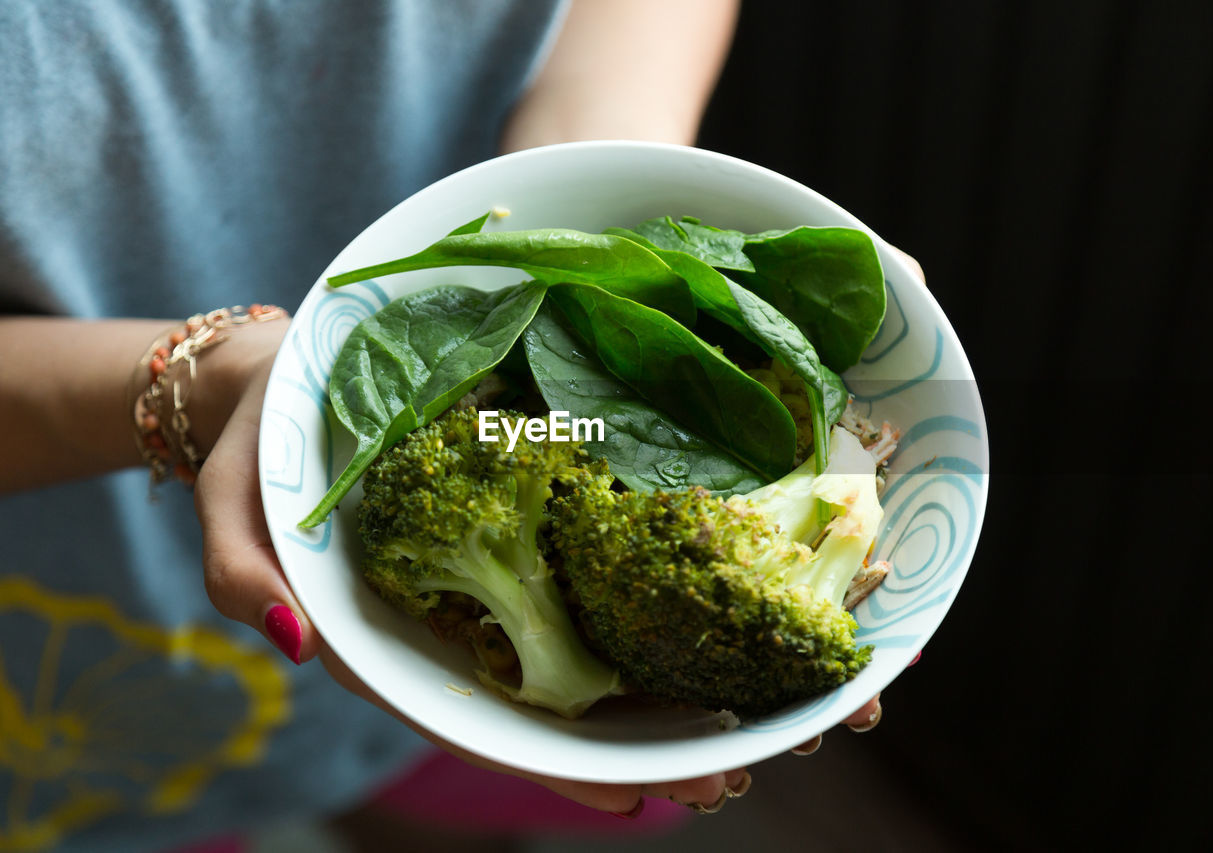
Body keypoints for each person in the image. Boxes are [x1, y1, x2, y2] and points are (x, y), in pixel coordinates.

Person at [0, 1, 884, 849]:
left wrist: (590, 221)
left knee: (448, 798)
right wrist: (194, 384)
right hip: (90, 583)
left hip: (461, 624)